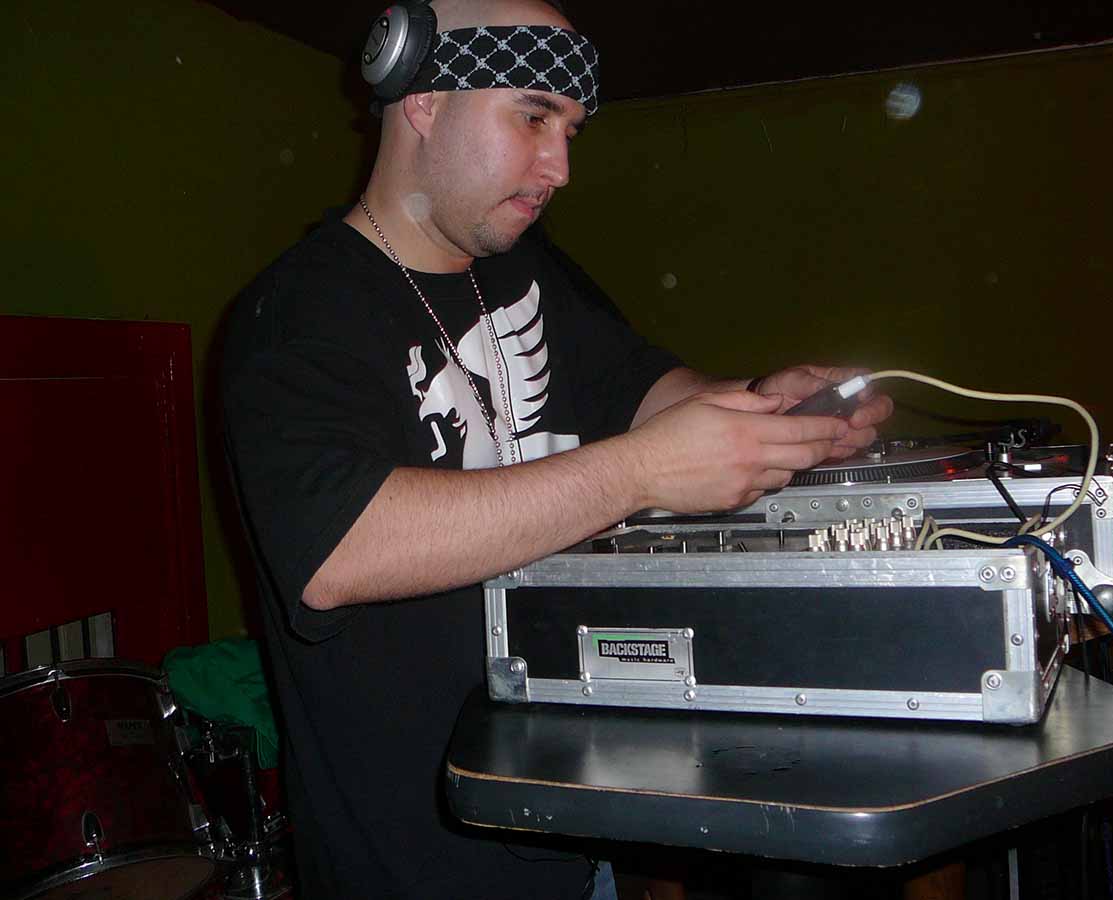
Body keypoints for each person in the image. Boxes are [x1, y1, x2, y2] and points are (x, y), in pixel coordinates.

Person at [220, 1, 893, 897]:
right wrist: (643, 470)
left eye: (570, 131)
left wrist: (771, 407)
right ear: (423, 97)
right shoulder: (296, 313)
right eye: (533, 116)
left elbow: (644, 388)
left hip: (576, 845)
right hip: (420, 867)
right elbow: (338, 551)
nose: (560, 167)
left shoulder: (526, 268)